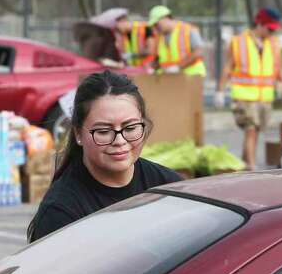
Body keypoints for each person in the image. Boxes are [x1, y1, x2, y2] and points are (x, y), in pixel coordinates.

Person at [27, 70, 182, 242]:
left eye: (130, 128)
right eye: (103, 131)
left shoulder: (171, 188)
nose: (119, 140)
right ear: (78, 133)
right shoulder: (60, 211)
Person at [217, 8, 282, 168]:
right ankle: (252, 166)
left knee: (256, 131)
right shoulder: (238, 42)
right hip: (244, 95)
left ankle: (244, 164)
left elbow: (276, 66)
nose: (272, 32)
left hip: (264, 97)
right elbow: (228, 67)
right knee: (251, 129)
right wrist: (220, 91)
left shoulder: (274, 43)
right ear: (260, 24)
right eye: (269, 29)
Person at [148, 5, 206, 76]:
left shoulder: (188, 30)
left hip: (191, 76)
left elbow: (198, 52)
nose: (155, 27)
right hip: (169, 79)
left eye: (156, 24)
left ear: (166, 18)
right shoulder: (159, 36)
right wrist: (154, 66)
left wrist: (178, 67)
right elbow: (162, 58)